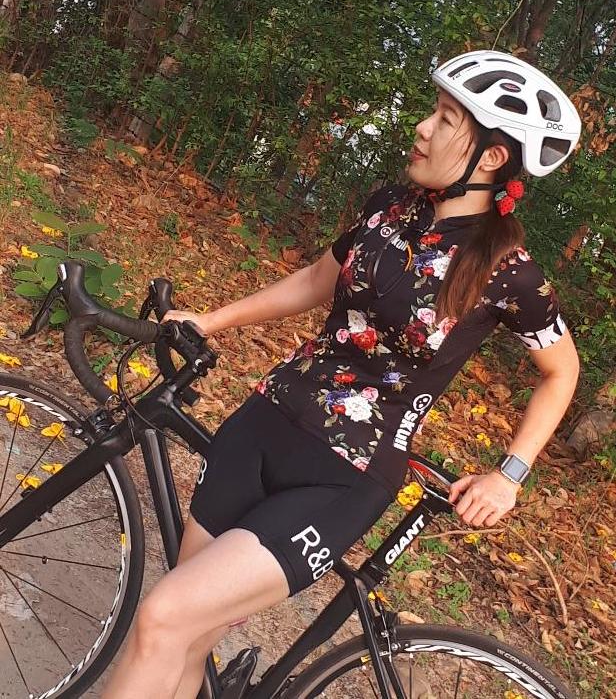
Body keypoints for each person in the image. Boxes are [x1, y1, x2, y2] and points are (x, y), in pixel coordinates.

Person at [102, 50, 581, 698]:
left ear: (492, 158)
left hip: (344, 475)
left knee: (162, 615)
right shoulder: (389, 206)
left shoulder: (509, 272)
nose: (422, 128)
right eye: (433, 112)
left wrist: (510, 474)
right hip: (263, 426)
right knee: (185, 638)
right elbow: (314, 281)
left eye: (445, 120)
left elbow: (561, 371)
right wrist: (211, 320)